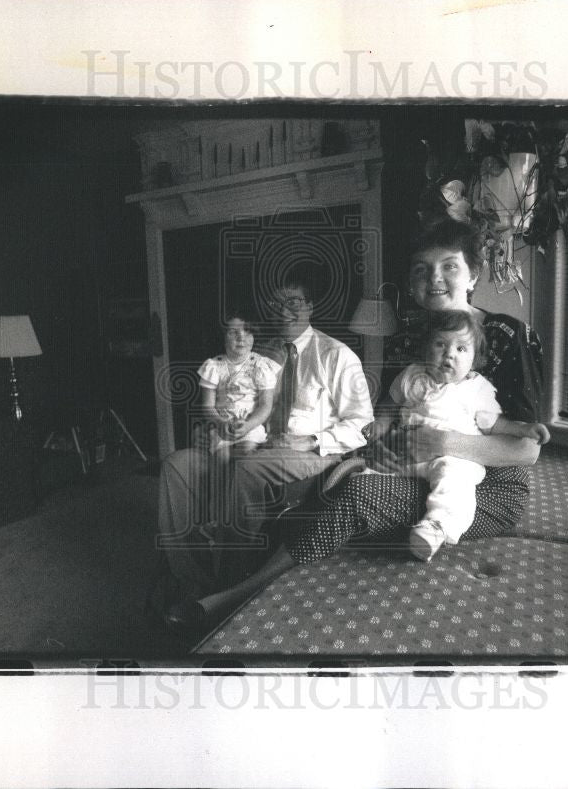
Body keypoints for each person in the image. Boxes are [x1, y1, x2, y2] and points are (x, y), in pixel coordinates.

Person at [164, 218, 546, 634]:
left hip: (484, 483)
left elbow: (527, 449)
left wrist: (440, 441)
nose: (433, 278)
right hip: (411, 464)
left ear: (473, 274)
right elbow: (384, 411)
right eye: (421, 269)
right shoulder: (408, 340)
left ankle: (234, 596)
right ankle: (199, 577)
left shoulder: (506, 334)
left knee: (357, 489)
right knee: (350, 474)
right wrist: (376, 441)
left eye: (449, 266)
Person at [153, 269, 374, 609]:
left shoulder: (337, 356)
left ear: (311, 307)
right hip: (255, 441)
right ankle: (191, 577)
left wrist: (311, 440)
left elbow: (363, 424)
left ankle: (224, 589)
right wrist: (219, 425)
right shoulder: (259, 354)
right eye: (276, 303)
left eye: (294, 303)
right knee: (176, 465)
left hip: (312, 450)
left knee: (248, 469)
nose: (284, 311)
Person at [369, 308, 549, 561]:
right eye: (440, 344)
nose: (449, 354)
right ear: (425, 348)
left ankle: (436, 527)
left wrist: (524, 429)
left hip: (453, 458)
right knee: (374, 470)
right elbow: (389, 405)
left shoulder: (476, 388)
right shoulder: (412, 375)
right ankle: (356, 477)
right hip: (407, 452)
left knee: (454, 482)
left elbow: (494, 424)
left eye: (461, 349)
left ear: (474, 360)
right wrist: (379, 426)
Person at [196, 313, 279, 458]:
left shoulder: (260, 365)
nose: (241, 337)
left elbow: (265, 405)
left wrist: (249, 425)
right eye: (233, 332)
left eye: (247, 331)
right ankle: (222, 481)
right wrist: (220, 422)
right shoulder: (214, 366)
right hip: (222, 427)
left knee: (246, 451)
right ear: (223, 337)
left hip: (250, 426)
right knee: (221, 458)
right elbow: (207, 406)